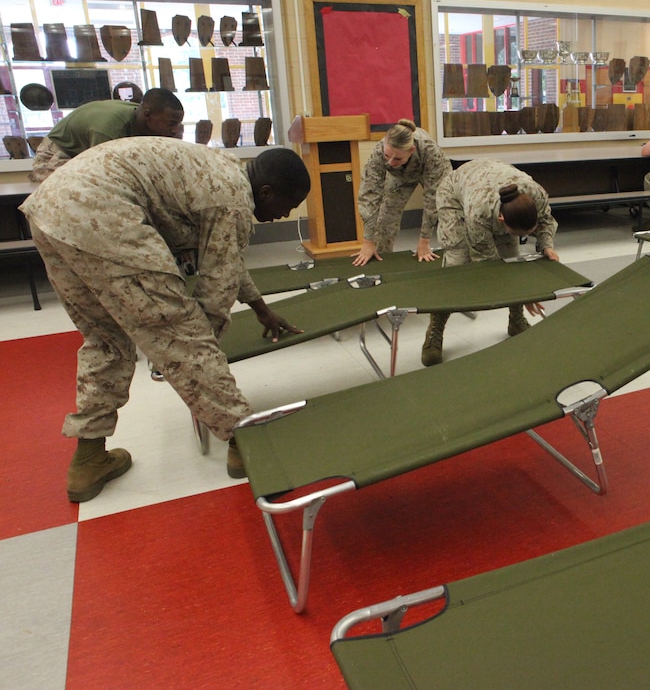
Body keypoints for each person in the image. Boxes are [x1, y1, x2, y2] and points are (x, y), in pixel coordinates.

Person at [20, 138, 312, 501]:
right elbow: (216, 289)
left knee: (106, 341)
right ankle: (245, 440)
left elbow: (225, 260)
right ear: (266, 191)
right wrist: (200, 343)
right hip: (103, 218)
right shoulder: (233, 197)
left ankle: (89, 459)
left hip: (50, 213)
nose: (286, 215)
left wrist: (259, 307)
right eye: (290, 205)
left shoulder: (219, 172)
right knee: (183, 334)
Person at [422, 158, 559, 366]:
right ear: (502, 221)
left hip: (489, 181)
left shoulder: (535, 194)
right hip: (456, 195)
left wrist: (547, 244)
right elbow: (489, 266)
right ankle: (435, 332)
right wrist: (526, 295)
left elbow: (547, 220)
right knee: (456, 266)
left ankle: (516, 320)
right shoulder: (479, 212)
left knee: (512, 257)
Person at [352, 119, 452, 266]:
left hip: (432, 172)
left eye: (397, 158)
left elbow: (433, 198)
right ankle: (381, 260)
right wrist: (368, 241)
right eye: (387, 156)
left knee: (448, 210)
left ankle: (455, 257)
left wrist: (424, 240)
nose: (390, 162)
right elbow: (369, 195)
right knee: (386, 216)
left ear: (411, 150)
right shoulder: (379, 152)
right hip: (400, 175)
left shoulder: (431, 152)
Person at [28, 88, 185, 182]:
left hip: (85, 153)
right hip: (58, 153)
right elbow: (104, 174)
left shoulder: (143, 118)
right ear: (148, 115)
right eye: (171, 124)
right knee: (88, 189)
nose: (175, 130)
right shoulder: (108, 129)